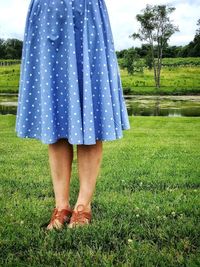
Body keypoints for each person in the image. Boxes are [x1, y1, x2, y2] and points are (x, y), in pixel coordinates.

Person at [15, 0, 130, 229]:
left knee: (90, 112)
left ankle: (83, 206)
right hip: (48, 13)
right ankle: (61, 206)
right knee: (54, 117)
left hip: (84, 11)